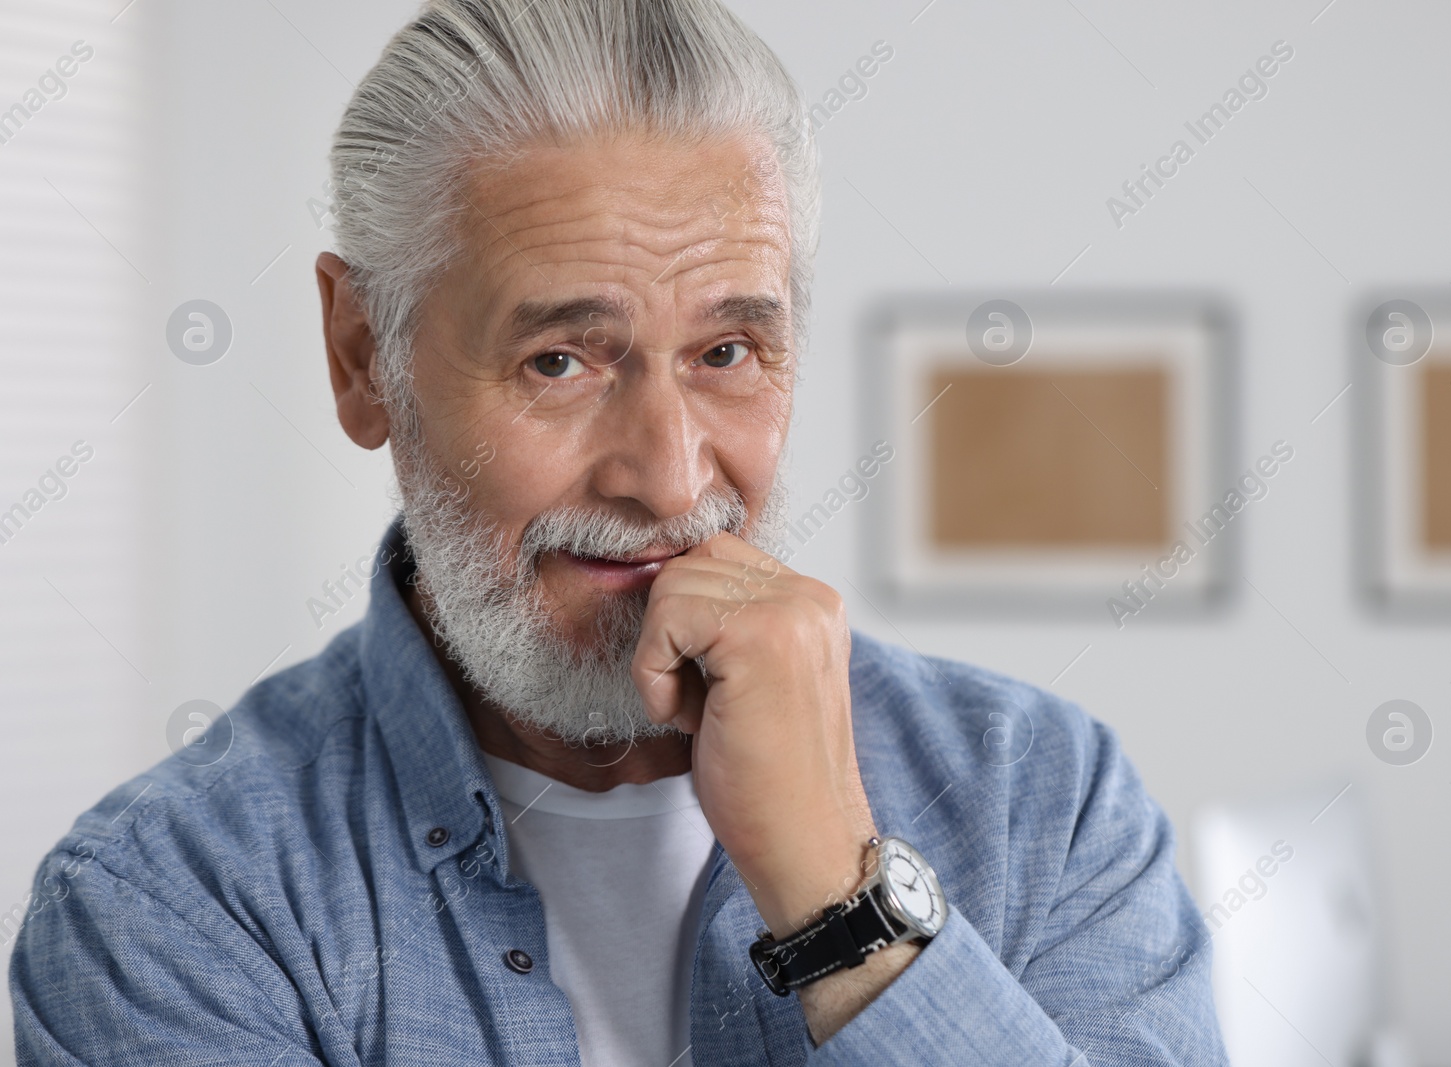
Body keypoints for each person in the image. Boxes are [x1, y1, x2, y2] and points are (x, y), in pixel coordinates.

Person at [9, 1, 1226, 1063]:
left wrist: (839, 893)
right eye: (559, 359)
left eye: (727, 352)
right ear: (360, 356)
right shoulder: (169, 898)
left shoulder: (1047, 801)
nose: (669, 472)